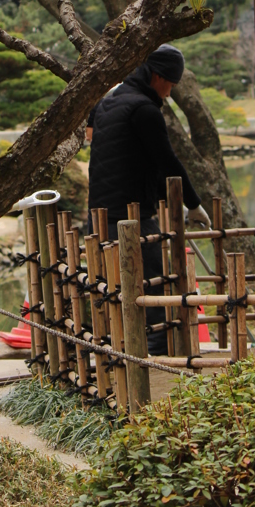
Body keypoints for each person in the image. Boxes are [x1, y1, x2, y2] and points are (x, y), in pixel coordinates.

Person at [87, 44, 210, 353]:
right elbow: (168, 161)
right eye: (170, 83)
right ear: (157, 76)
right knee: (155, 287)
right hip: (131, 219)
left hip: (99, 217)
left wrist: (170, 203)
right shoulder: (144, 109)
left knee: (112, 291)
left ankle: (117, 354)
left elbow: (137, 161)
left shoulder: (107, 104)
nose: (170, 92)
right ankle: (155, 359)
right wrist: (194, 204)